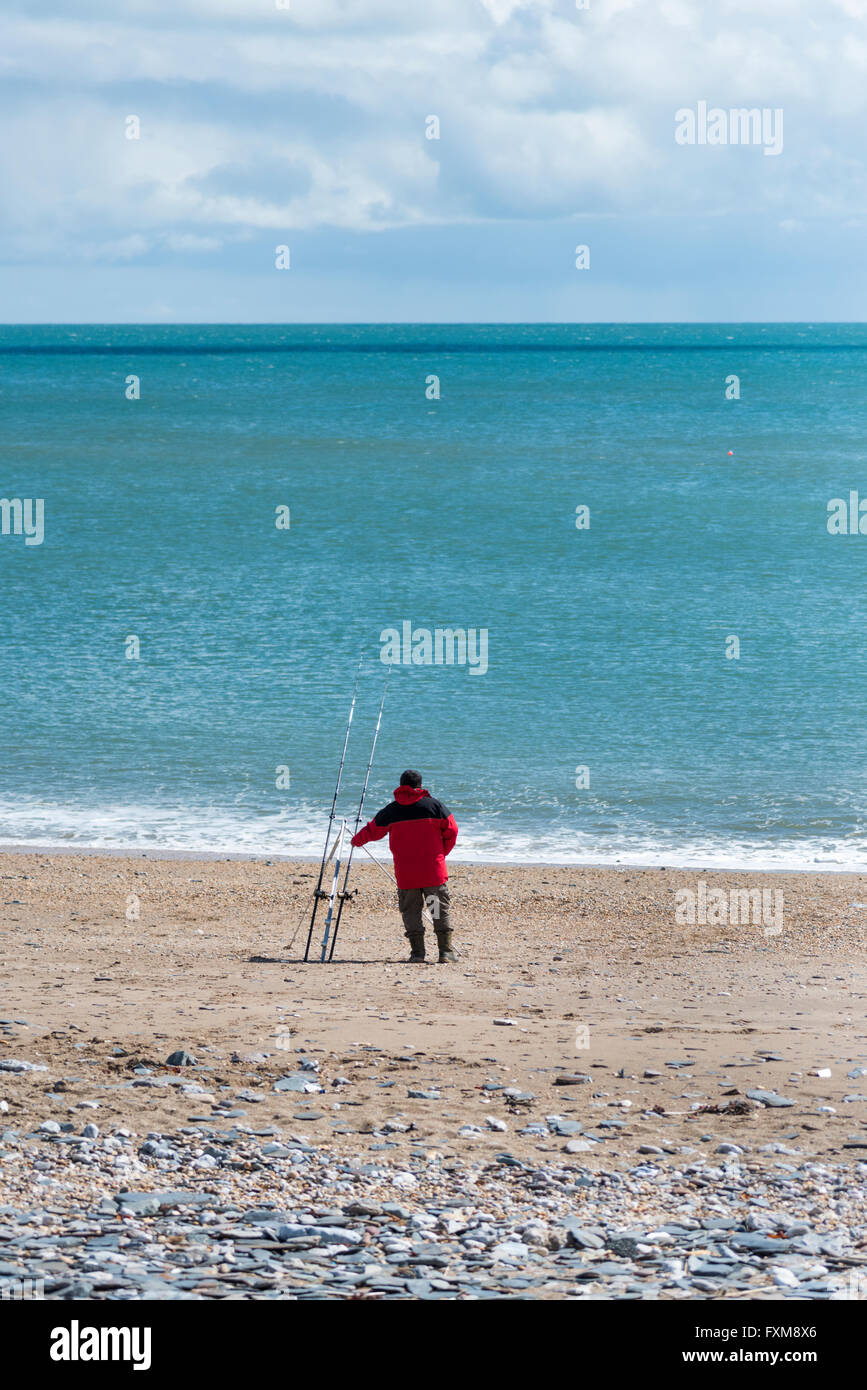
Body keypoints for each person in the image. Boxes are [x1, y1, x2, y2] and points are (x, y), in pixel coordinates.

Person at [351, 770, 458, 962]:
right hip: (433, 872)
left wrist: (355, 841)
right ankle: (445, 952)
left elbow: (372, 831)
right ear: (420, 785)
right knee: (437, 910)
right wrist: (442, 853)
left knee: (411, 912)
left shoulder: (392, 810)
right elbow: (452, 830)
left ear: (401, 785)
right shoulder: (435, 806)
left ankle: (417, 954)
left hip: (407, 874)